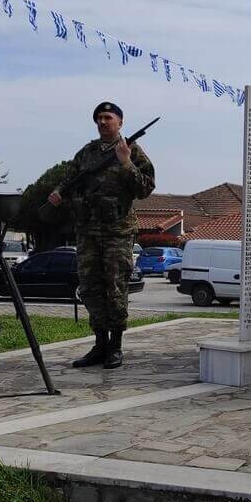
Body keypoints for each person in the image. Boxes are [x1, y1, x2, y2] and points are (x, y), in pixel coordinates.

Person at [47, 102, 155, 368]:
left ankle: (115, 346)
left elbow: (145, 189)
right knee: (90, 289)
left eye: (108, 117)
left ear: (120, 122)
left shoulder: (132, 151)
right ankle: (99, 344)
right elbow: (70, 178)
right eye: (99, 118)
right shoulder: (87, 152)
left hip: (117, 232)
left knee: (115, 289)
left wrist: (126, 162)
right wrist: (59, 192)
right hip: (87, 232)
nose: (103, 122)